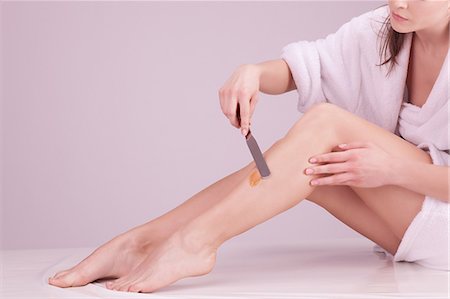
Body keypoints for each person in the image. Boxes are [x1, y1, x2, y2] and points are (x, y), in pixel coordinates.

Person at [48, 0, 449, 293]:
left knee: (325, 124)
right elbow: (309, 66)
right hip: (414, 227)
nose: (398, 2)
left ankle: (194, 243)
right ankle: (142, 241)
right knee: (298, 163)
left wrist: (393, 171)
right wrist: (253, 73)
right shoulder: (387, 28)